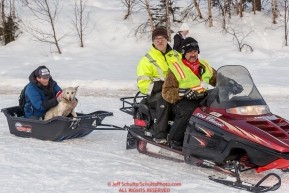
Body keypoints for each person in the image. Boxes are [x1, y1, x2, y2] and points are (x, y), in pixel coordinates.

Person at [137, 27, 182, 144]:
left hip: (177, 90)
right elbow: (143, 84)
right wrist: (162, 85)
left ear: (167, 40)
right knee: (164, 98)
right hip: (156, 94)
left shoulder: (177, 55)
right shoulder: (146, 60)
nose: (160, 41)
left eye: (163, 38)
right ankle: (160, 135)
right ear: (153, 41)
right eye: (156, 38)